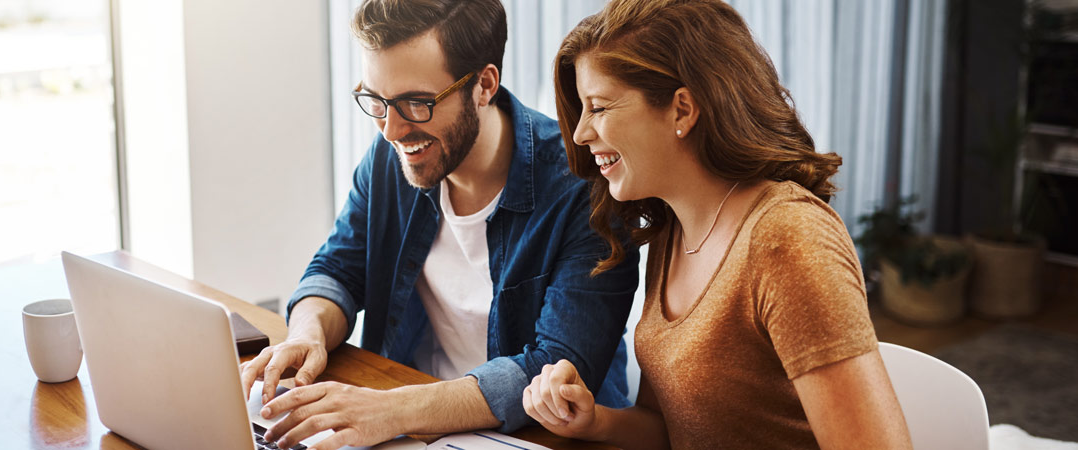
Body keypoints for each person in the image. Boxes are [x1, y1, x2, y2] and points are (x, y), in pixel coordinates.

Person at [238, 1, 639, 449]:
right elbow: (336, 270)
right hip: (407, 422)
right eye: (377, 100)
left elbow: (555, 370)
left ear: (484, 85)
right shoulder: (397, 157)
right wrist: (308, 332)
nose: (391, 130)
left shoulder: (581, 187)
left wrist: (390, 410)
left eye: (416, 103)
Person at [521, 0, 913, 448]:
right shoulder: (675, 230)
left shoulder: (786, 240)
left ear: (682, 110)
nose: (580, 133)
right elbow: (673, 429)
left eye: (600, 107)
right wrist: (593, 423)